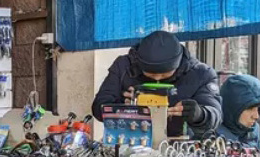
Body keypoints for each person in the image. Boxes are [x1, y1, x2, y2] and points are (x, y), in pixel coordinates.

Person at [92, 31, 222, 138]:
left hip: (179, 146)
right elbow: (99, 107)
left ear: (177, 65)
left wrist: (200, 114)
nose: (157, 79)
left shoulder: (201, 74)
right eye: (150, 75)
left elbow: (215, 114)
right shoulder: (124, 67)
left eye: (165, 75)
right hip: (130, 140)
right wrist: (124, 108)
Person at [216, 74, 260, 150]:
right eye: (249, 108)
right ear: (232, 107)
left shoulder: (254, 129)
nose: (256, 116)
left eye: (259, 108)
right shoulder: (209, 133)